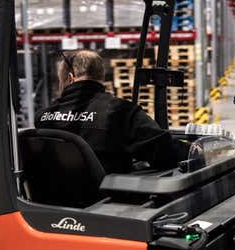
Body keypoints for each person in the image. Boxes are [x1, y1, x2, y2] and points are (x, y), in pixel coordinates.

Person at [35, 49, 182, 174]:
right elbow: (164, 150)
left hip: (50, 202)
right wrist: (198, 150)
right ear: (101, 77)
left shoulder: (42, 117)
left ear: (70, 78)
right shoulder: (120, 112)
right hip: (103, 202)